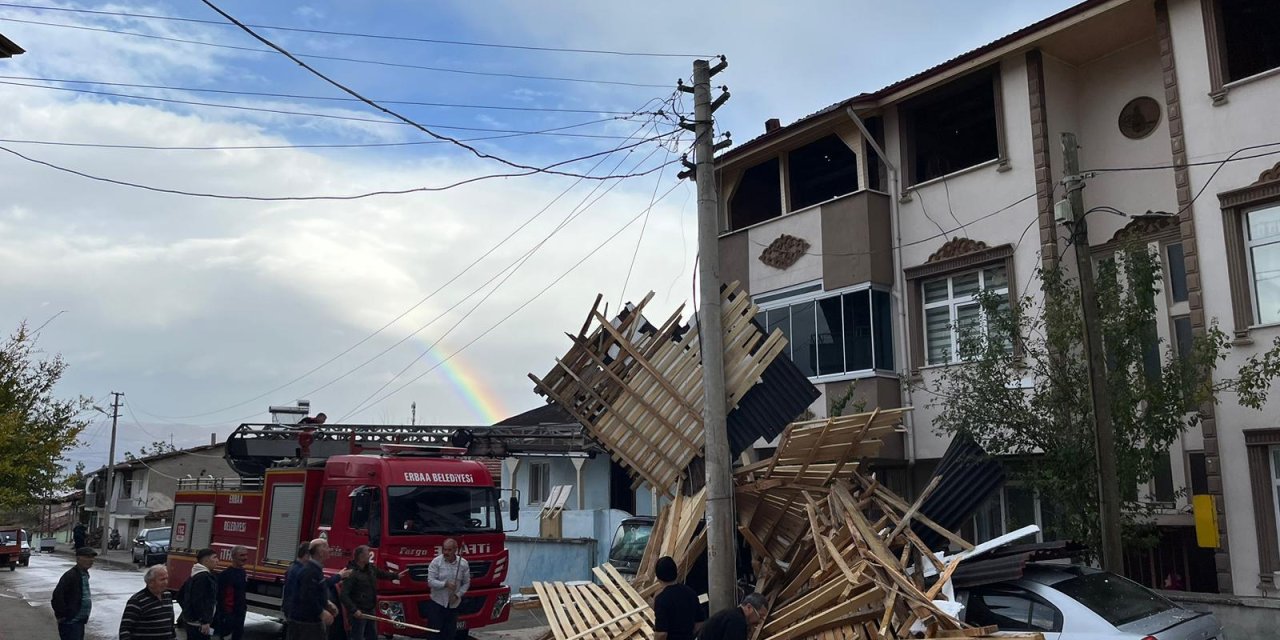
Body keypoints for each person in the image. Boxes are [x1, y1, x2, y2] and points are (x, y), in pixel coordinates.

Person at [286, 538, 348, 640]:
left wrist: (326, 603)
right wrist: (321, 612)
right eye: (327, 547)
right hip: (305, 623)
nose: (330, 550)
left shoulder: (315, 570)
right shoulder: (310, 571)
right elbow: (307, 596)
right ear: (320, 552)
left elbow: (318, 589)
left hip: (310, 621)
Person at [340, 545, 402, 640]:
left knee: (372, 636)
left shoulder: (370, 569)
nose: (370, 555)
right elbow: (344, 595)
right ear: (361, 557)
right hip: (359, 612)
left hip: (370, 609)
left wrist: (396, 576)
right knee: (357, 636)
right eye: (367, 554)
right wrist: (354, 610)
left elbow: (382, 574)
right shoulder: (351, 573)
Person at [425, 538, 470, 640]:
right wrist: (445, 584)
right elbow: (430, 582)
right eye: (444, 549)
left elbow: (466, 583)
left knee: (450, 634)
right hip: (437, 604)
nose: (446, 552)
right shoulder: (436, 562)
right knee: (434, 634)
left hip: (453, 604)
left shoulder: (463, 563)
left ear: (455, 550)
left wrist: (457, 595)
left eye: (449, 550)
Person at [119, 565, 177, 640]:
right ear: (150, 582)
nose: (166, 582)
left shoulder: (167, 596)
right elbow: (125, 630)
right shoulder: (137, 601)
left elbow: (170, 625)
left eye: (167, 578)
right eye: (162, 579)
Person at [652, 556, 704, 640]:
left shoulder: (661, 600)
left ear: (658, 577)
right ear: (676, 572)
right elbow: (700, 623)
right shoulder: (691, 593)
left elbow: (662, 634)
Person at [52, 547, 97, 640]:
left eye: (92, 557)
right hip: (71, 622)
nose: (91, 560)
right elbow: (57, 596)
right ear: (78, 559)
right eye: (87, 557)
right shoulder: (71, 575)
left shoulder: (84, 574)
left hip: (79, 621)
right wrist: (62, 615)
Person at [181, 548, 219, 639]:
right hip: (199, 625)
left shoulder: (195, 575)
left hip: (194, 622)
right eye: (214, 557)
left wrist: (188, 612)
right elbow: (199, 601)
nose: (217, 560)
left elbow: (180, 596)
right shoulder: (203, 578)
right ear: (206, 560)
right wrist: (204, 621)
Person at [697, 593, 768, 640]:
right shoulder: (737, 621)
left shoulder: (732, 615)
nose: (760, 621)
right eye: (760, 616)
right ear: (749, 607)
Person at [216, 546, 249, 640]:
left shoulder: (242, 572)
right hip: (229, 615)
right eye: (242, 555)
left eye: (246, 555)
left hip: (240, 615)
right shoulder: (225, 575)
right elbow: (221, 597)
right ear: (233, 556)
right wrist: (226, 615)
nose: (245, 558)